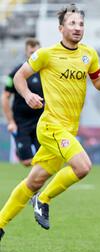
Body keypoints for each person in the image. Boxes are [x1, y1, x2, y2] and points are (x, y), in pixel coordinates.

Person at [0, 4, 100, 243]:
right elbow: (20, 76)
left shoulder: (89, 55)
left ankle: (0, 224)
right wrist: (28, 95)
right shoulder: (46, 54)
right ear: (61, 28)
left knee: (34, 180)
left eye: (81, 24)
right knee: (83, 167)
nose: (77, 28)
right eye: (72, 24)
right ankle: (43, 199)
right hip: (51, 126)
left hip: (68, 130)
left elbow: (98, 85)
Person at [2, 38, 43, 167]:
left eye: (36, 52)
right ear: (26, 53)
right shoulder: (16, 73)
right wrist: (10, 122)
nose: (33, 55)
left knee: (43, 161)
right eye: (31, 53)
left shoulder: (46, 72)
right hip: (22, 123)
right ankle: (21, 153)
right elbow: (5, 97)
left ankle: (37, 184)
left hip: (41, 122)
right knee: (26, 162)